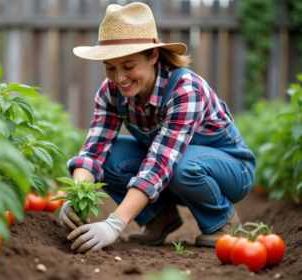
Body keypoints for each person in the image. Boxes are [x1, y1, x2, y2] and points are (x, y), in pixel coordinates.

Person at [59, 2, 256, 254]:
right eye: (110, 67)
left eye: (128, 66)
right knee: (110, 156)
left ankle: (223, 221)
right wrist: (75, 195)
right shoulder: (111, 93)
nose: (119, 79)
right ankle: (159, 217)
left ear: (153, 56)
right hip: (174, 170)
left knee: (181, 165)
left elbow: (161, 163)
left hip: (231, 171)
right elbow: (93, 151)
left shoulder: (185, 90)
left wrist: (114, 224)